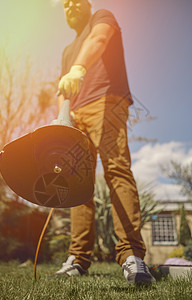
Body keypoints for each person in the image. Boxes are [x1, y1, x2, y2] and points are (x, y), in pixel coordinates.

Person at [55, 0, 156, 285]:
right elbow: (63, 90)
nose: (71, 6)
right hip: (76, 115)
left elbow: (99, 39)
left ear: (87, 5)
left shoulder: (102, 17)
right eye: (65, 4)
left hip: (107, 102)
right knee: (78, 184)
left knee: (117, 170)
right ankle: (77, 259)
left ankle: (131, 256)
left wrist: (78, 69)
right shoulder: (66, 51)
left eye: (77, 1)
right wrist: (62, 118)